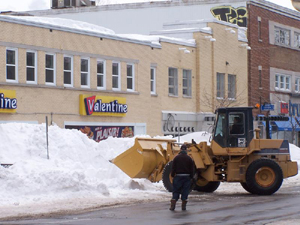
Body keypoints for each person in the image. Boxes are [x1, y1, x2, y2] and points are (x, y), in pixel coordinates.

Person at [169, 144, 195, 211]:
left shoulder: (176, 158)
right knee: (185, 191)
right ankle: (183, 206)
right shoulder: (189, 158)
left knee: (176, 190)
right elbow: (192, 169)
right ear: (186, 150)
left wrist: (172, 175)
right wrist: (191, 177)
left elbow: (173, 168)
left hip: (178, 176)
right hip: (187, 177)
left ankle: (173, 205)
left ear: (180, 149)